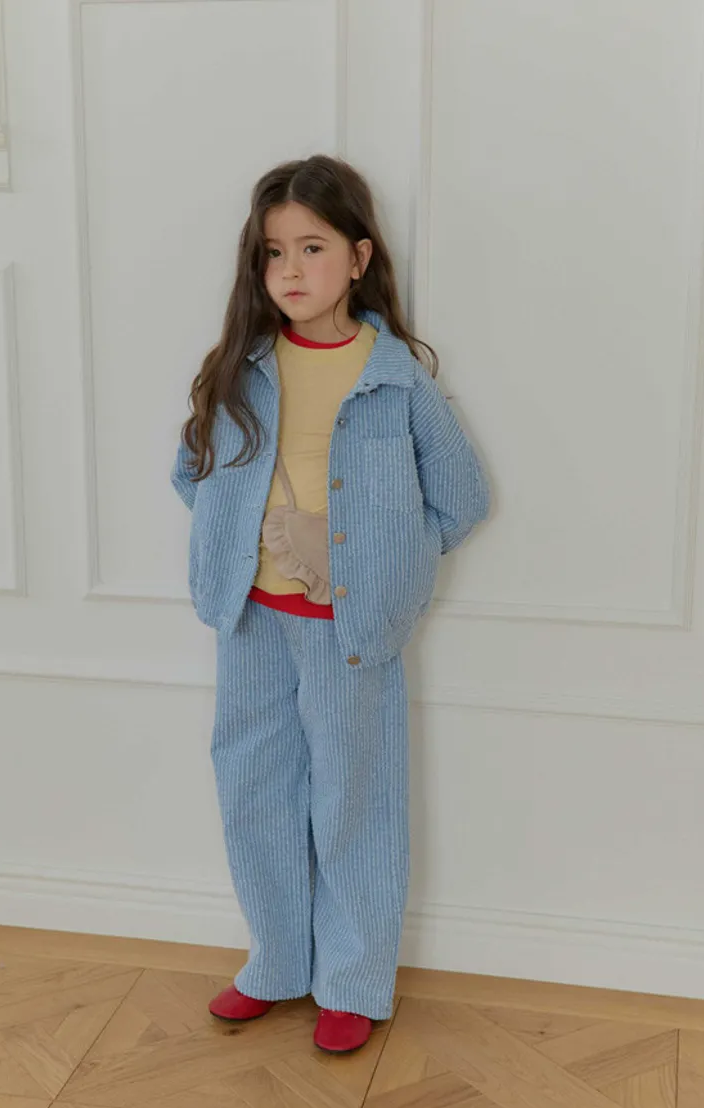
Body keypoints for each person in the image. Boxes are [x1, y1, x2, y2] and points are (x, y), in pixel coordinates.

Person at [170, 154, 489, 1054]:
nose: (291, 270)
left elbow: (462, 498)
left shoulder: (394, 377)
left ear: (358, 257)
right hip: (250, 621)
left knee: (355, 801)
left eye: (312, 247)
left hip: (352, 632)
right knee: (255, 791)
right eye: (274, 252)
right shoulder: (241, 369)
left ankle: (353, 980)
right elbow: (192, 472)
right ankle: (275, 961)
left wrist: (377, 559)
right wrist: (246, 538)